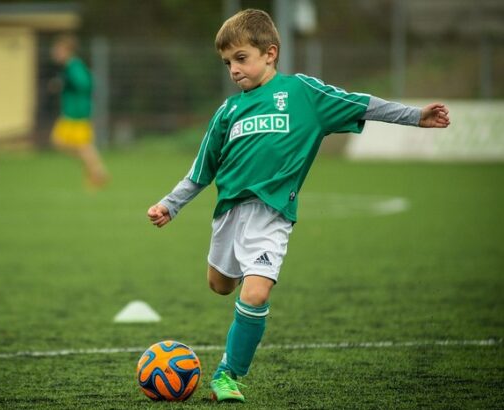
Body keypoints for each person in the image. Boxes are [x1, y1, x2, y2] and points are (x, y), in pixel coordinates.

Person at [147, 9, 450, 403]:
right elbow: (201, 170)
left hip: (272, 215)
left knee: (254, 295)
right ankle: (244, 282)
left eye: (241, 58)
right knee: (220, 285)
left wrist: (415, 116)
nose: (234, 70)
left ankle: (228, 373)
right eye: (227, 63)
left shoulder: (303, 94)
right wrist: (170, 206)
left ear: (270, 53)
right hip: (229, 215)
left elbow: (362, 104)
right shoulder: (228, 112)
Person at [50, 34, 109, 187]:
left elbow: (85, 83)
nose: (55, 52)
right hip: (71, 112)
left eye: (58, 50)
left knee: (81, 146)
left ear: (66, 50)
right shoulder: (70, 67)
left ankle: (97, 172)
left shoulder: (74, 66)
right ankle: (95, 170)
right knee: (63, 143)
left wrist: (66, 83)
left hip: (77, 113)